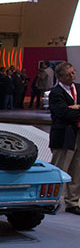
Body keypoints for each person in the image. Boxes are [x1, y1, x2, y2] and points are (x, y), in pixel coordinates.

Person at [48, 62, 80, 215]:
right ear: (60, 77)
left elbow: (70, 113)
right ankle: (51, 200)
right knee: (59, 168)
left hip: (77, 134)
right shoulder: (56, 93)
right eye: (69, 74)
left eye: (73, 73)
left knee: (77, 169)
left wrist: (75, 108)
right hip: (63, 136)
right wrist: (71, 110)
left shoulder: (79, 88)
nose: (73, 76)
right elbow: (64, 114)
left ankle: (73, 202)